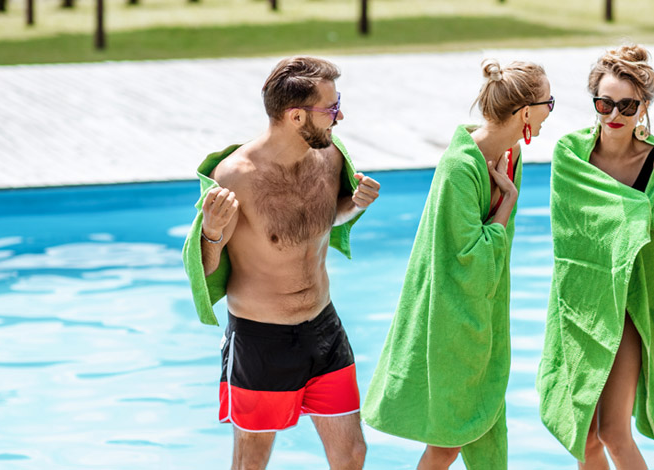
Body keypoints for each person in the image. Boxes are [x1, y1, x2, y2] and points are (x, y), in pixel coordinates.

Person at [180, 55, 381, 470]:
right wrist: (212, 231)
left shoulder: (330, 158)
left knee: (352, 454)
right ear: (296, 116)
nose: (340, 116)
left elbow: (324, 220)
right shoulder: (235, 177)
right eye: (331, 108)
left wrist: (355, 204)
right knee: (252, 460)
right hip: (261, 340)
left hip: (324, 329)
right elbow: (206, 270)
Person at [362, 58, 553, 470]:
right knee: (448, 443)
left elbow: (490, 252)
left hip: (484, 316)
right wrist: (507, 202)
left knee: (486, 434)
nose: (549, 113)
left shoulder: (511, 154)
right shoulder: (459, 169)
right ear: (525, 112)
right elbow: (470, 258)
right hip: (451, 322)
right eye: (548, 104)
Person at [537, 44, 654, 470]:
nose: (614, 115)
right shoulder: (571, 155)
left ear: (644, 107)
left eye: (627, 105)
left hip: (629, 305)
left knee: (614, 433)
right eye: (604, 103)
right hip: (582, 303)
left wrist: (629, 219)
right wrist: (629, 217)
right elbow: (569, 232)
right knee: (583, 438)